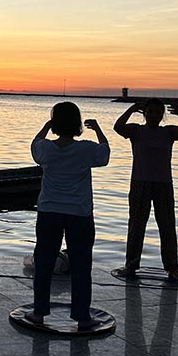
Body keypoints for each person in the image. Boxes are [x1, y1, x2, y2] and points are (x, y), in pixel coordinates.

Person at [27, 102, 110, 329]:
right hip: (79, 214)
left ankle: (39, 312)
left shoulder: (46, 148)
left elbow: (34, 145)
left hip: (49, 211)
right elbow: (105, 154)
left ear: (55, 123)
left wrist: (46, 127)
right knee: (81, 266)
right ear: (77, 123)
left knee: (44, 264)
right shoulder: (86, 149)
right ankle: (82, 316)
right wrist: (99, 129)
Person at [113, 98, 178, 281]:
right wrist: (132, 108)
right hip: (140, 183)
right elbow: (118, 127)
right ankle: (131, 265)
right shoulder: (136, 130)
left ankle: (172, 268)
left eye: (158, 113)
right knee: (136, 225)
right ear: (145, 113)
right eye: (150, 112)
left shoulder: (168, 132)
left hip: (163, 184)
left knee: (167, 225)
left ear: (162, 115)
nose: (154, 116)